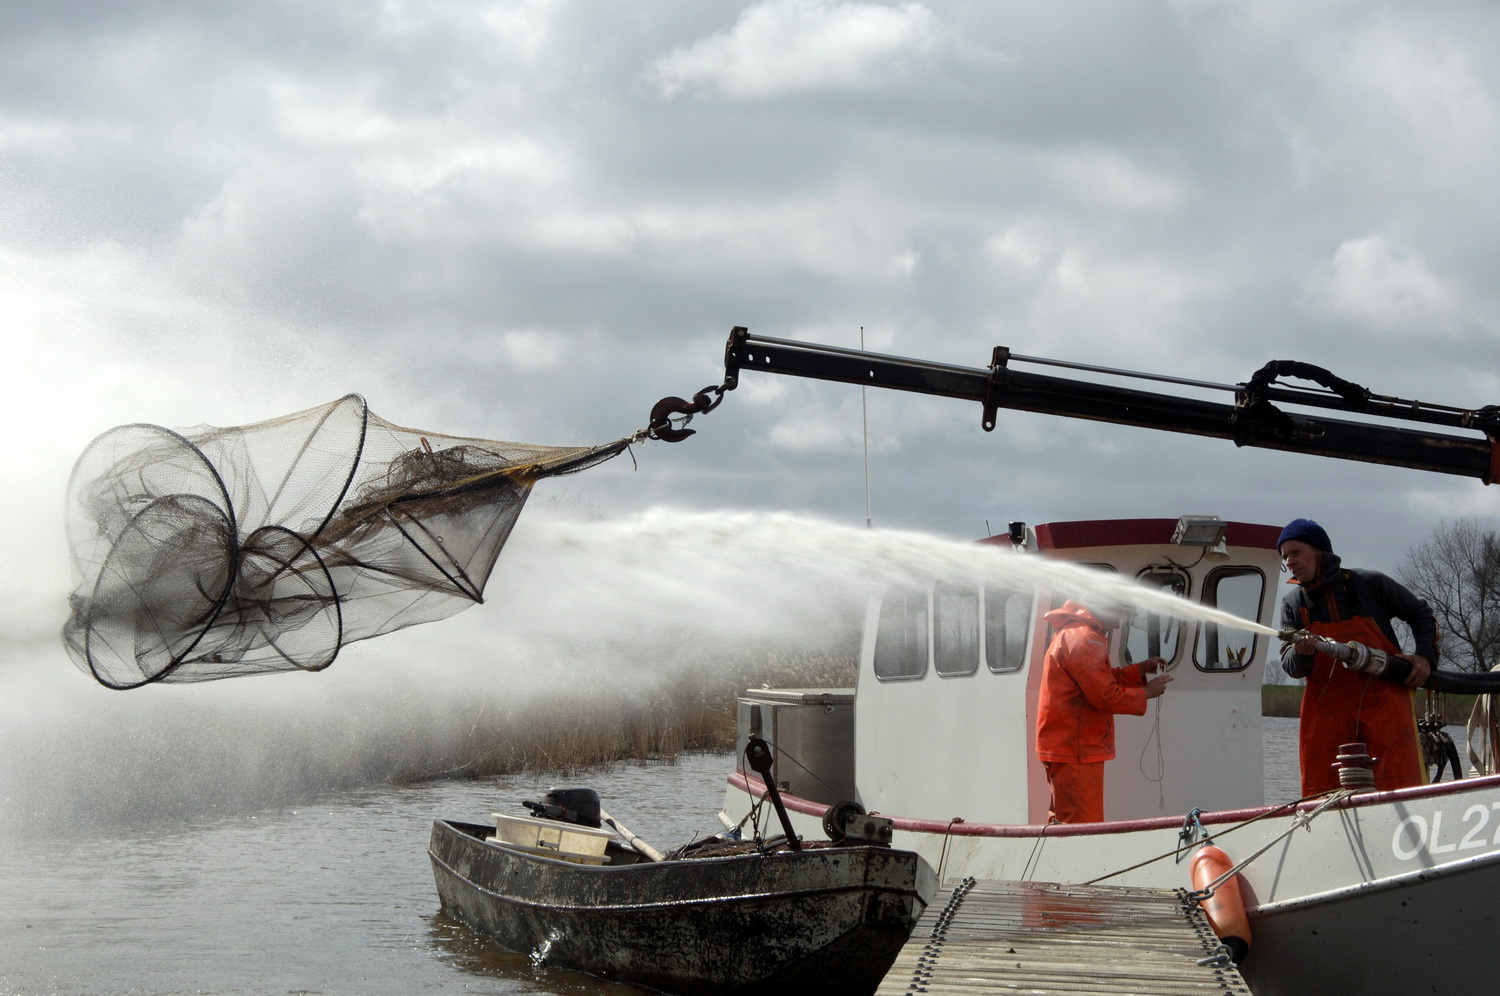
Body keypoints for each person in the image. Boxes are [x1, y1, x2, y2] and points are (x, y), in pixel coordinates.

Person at [1277, 518, 1437, 795]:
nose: (1289, 562)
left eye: (1295, 553)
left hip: (1386, 705)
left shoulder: (1369, 584)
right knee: (1321, 796)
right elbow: (1291, 667)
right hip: (1326, 714)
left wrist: (1425, 656)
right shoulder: (1293, 604)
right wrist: (1301, 653)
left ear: (1320, 551)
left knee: (1404, 787)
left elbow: (1420, 613)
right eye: (1285, 557)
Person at [1035, 599, 1171, 823]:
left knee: (1065, 821)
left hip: (1067, 746)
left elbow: (1098, 681)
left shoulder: (1074, 634)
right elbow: (1104, 696)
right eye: (1117, 616)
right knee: (1081, 826)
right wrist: (1146, 693)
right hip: (1076, 751)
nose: (1117, 625)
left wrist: (1138, 671)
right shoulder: (1085, 639)